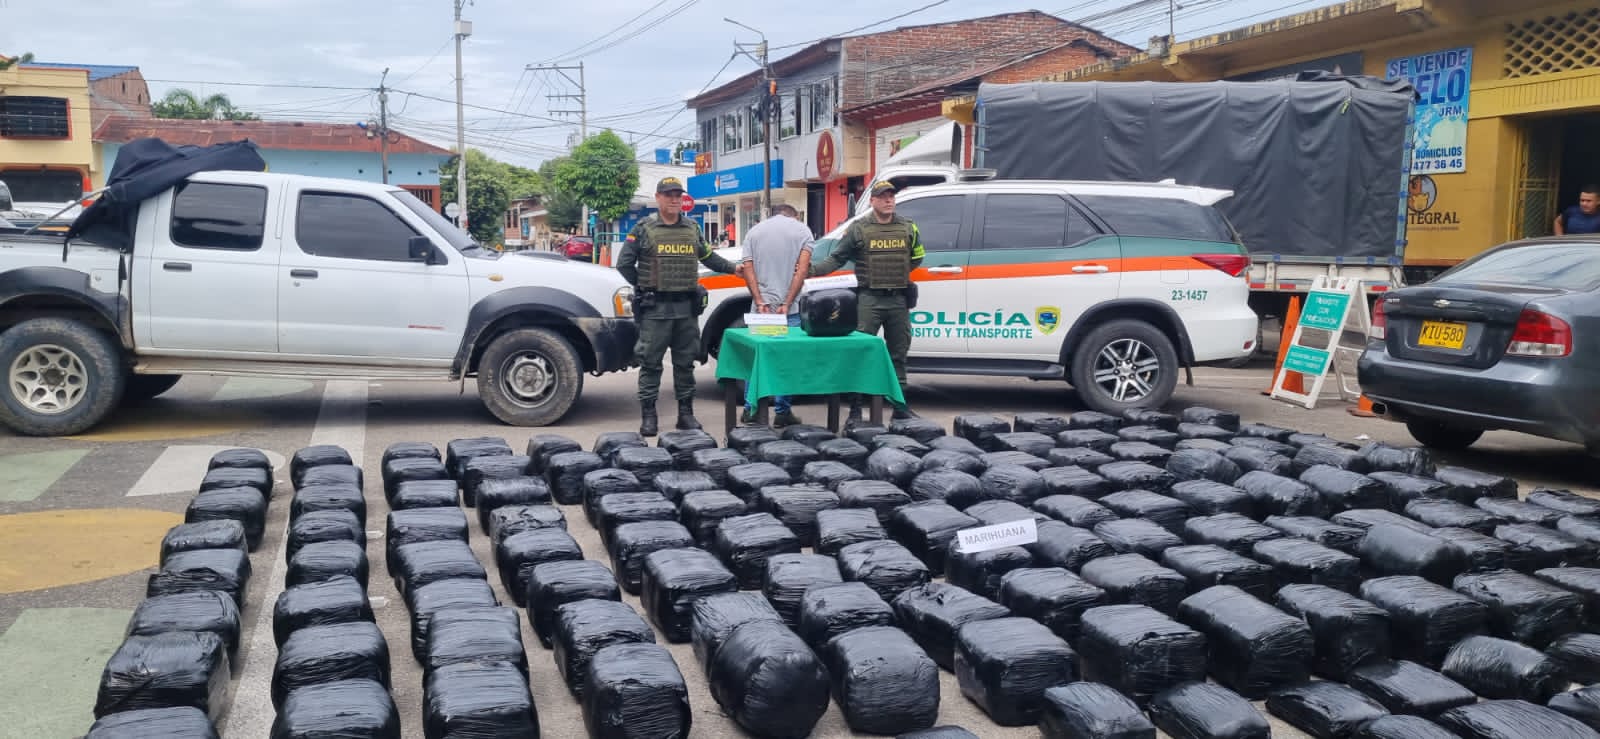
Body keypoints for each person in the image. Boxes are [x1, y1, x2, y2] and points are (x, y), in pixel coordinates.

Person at [617, 177, 740, 436]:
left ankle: (686, 414)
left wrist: (734, 269)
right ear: (659, 198)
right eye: (669, 194)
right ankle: (649, 416)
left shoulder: (692, 228)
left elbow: (709, 257)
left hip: (686, 310)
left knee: (686, 363)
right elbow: (624, 264)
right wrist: (644, 285)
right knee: (651, 364)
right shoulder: (643, 228)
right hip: (656, 310)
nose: (674, 199)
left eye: (678, 195)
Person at [809, 180, 924, 421]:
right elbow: (837, 258)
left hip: (897, 300)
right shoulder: (859, 229)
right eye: (883, 196)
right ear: (872, 201)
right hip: (869, 299)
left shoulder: (908, 228)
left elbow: (916, 258)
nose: (888, 200)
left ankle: (900, 407)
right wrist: (812, 271)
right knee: (860, 353)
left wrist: (897, 275)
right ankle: (855, 409)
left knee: (898, 355)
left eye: (891, 196)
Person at [739, 203, 814, 426]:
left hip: (761, 310)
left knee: (757, 360)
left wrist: (760, 300)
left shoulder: (754, 232)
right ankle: (782, 413)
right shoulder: (803, 231)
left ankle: (750, 409)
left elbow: (747, 269)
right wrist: (787, 302)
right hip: (788, 310)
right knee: (786, 361)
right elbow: (802, 270)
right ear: (795, 215)